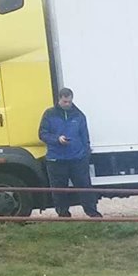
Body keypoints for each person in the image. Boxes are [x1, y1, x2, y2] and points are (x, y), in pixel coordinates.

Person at [38, 88, 101, 219]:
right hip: (56, 159)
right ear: (59, 100)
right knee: (59, 190)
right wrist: (57, 139)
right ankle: (63, 215)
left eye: (69, 102)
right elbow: (42, 134)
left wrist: (85, 154)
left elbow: (85, 136)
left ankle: (92, 213)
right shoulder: (49, 114)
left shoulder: (79, 115)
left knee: (85, 187)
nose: (67, 104)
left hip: (77, 159)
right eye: (65, 102)